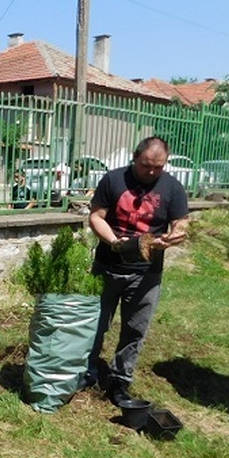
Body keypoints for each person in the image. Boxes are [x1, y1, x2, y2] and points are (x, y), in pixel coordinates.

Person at [86, 136, 189, 406]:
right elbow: (96, 216)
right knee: (95, 324)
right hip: (107, 267)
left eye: (159, 167)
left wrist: (175, 235)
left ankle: (120, 380)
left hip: (147, 274)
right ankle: (87, 370)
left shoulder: (173, 188)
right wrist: (115, 243)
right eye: (146, 165)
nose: (152, 172)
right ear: (135, 157)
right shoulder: (113, 180)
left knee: (135, 330)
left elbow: (181, 223)